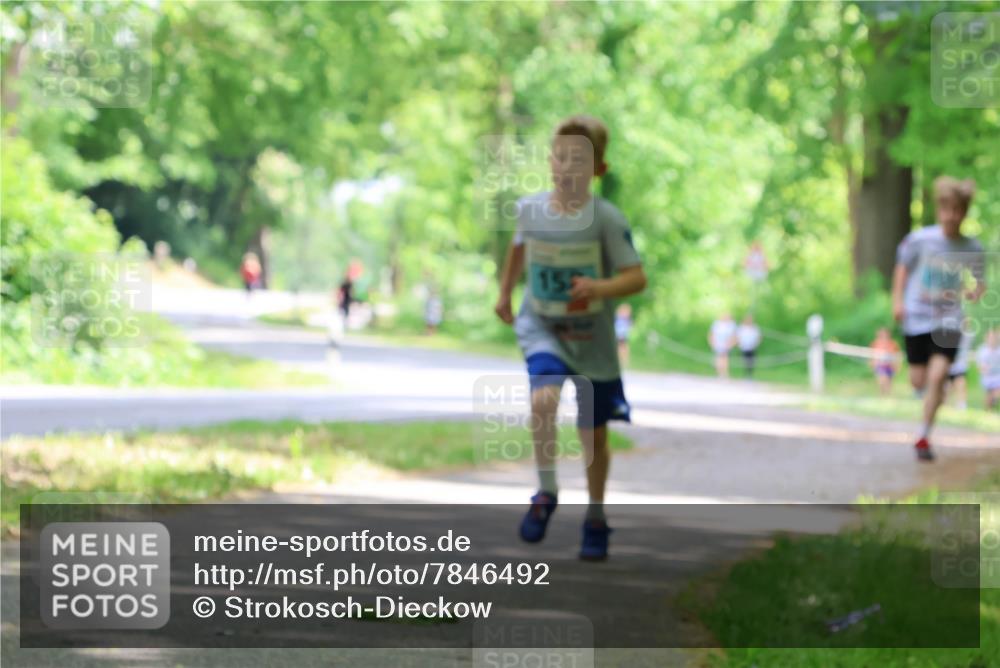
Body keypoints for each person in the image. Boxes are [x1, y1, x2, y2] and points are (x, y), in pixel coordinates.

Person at [494, 115, 646, 561]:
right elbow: (518, 248)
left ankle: (596, 516)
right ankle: (546, 491)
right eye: (559, 157)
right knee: (543, 400)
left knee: (592, 434)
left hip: (592, 341)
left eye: (578, 160)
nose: (566, 168)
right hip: (543, 326)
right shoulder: (530, 210)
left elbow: (636, 278)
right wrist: (505, 293)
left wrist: (599, 289)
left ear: (599, 169)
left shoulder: (606, 220)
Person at [892, 176, 985, 461]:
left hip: (949, 320)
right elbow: (902, 270)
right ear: (939, 209)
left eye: (957, 210)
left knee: (938, 374)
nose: (951, 216)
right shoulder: (920, 240)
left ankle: (923, 435)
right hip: (917, 316)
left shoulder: (973, 249)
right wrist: (897, 300)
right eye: (946, 209)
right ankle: (932, 394)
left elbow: (980, 283)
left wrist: (973, 293)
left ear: (964, 212)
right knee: (919, 380)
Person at [869, 327, 900, 397]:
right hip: (880, 366)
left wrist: (897, 366)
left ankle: (887, 395)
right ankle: (882, 395)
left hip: (890, 366)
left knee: (889, 382)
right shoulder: (875, 344)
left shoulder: (893, 344)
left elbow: (897, 356)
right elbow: (871, 355)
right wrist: (872, 364)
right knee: (882, 380)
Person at [947, 330, 974, 409]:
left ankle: (961, 404)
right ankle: (945, 404)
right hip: (949, 366)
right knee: (947, 388)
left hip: (959, 366)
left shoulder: (967, 336)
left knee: (961, 384)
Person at [977, 329, 1000, 411]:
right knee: (989, 397)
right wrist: (983, 369)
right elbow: (980, 365)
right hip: (987, 377)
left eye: (994, 338)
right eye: (990, 338)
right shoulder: (983, 350)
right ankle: (988, 410)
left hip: (998, 376)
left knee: (997, 393)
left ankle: (992, 405)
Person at [708, 312, 737, 378]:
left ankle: (724, 373)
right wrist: (712, 342)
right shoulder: (717, 324)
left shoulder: (731, 325)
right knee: (719, 358)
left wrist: (731, 343)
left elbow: (734, 335)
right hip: (718, 344)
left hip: (727, 344)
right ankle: (720, 372)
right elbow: (711, 334)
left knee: (725, 358)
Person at [736, 314, 762, 378]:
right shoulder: (741, 328)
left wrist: (757, 344)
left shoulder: (755, 327)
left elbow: (759, 337)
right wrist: (738, 344)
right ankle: (745, 373)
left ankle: (750, 374)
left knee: (752, 360)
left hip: (752, 347)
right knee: (745, 360)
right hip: (744, 347)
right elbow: (737, 336)